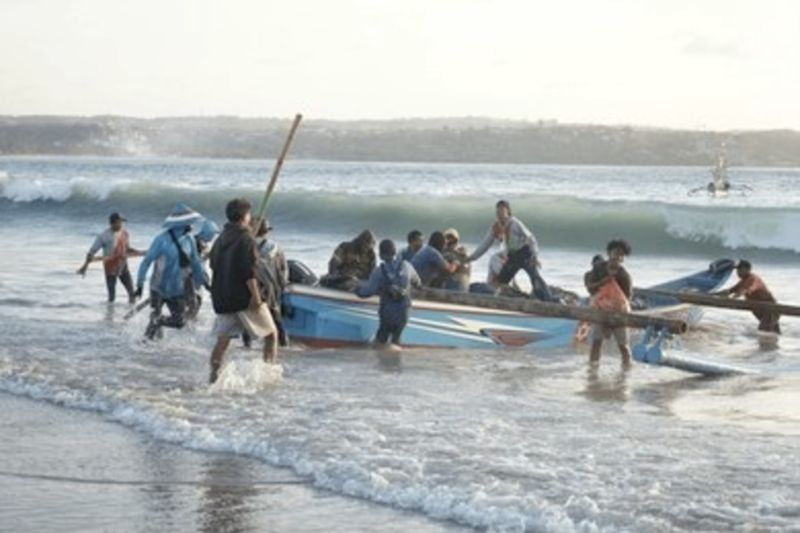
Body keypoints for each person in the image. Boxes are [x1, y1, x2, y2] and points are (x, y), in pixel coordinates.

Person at [208, 198, 278, 384]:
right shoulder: (246, 238)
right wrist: (255, 297)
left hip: (223, 297)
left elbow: (213, 264)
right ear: (244, 216)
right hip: (243, 298)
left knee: (223, 341)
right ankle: (269, 375)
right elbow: (249, 272)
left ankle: (213, 377)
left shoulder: (221, 238)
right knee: (271, 335)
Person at [135, 204, 206, 340]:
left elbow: (196, 262)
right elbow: (146, 262)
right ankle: (144, 347)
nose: (192, 225)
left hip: (177, 289)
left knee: (180, 321)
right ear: (181, 224)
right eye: (190, 222)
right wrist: (139, 284)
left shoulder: (189, 239)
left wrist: (201, 282)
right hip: (158, 288)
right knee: (154, 319)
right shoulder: (161, 240)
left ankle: (158, 322)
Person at [466, 200, 555, 301]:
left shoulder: (515, 223)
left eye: (502, 211)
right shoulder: (496, 227)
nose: (499, 214)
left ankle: (548, 300)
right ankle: (505, 298)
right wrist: (472, 257)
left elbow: (531, 239)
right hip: (512, 256)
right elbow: (485, 245)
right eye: (497, 211)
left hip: (525, 254)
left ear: (508, 212)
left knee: (535, 278)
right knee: (502, 279)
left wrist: (535, 256)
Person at [356, 239, 422, 346]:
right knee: (396, 339)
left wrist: (356, 289)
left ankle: (383, 358)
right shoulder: (407, 266)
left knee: (380, 342)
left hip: (388, 313)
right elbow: (418, 283)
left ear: (381, 255)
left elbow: (368, 292)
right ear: (395, 252)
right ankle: (395, 358)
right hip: (404, 312)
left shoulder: (379, 271)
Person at [584, 240, 633, 367]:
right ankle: (593, 371)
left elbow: (627, 297)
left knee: (623, 346)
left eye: (621, 255)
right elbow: (590, 287)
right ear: (609, 253)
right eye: (616, 253)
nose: (618, 257)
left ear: (623, 259)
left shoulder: (624, 275)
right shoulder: (599, 268)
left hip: (618, 313)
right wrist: (605, 281)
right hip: (600, 311)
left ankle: (626, 371)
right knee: (596, 342)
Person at [77, 212, 144, 303]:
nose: (121, 224)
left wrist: (140, 252)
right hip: (110, 269)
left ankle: (130, 313)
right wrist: (85, 266)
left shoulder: (125, 233)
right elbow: (91, 252)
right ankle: (109, 315)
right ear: (112, 223)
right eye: (118, 222)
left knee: (131, 293)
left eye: (121, 222)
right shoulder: (104, 236)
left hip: (123, 267)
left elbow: (127, 249)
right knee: (112, 297)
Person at [254, 218, 290, 347]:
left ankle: (247, 347)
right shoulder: (275, 247)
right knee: (276, 320)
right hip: (270, 289)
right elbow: (284, 270)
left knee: (248, 322)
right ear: (267, 232)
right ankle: (283, 346)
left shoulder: (246, 245)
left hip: (251, 287)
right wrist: (282, 286)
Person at [720, 260, 780, 334]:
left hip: (770, 310)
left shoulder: (753, 279)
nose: (737, 272)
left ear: (747, 269)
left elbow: (748, 290)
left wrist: (734, 297)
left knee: (763, 333)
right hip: (763, 311)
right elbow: (729, 291)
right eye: (737, 269)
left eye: (740, 269)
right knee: (774, 333)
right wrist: (711, 295)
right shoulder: (743, 281)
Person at [185, 218, 220, 320]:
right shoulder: (196, 243)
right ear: (206, 233)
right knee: (194, 304)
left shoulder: (202, 243)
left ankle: (188, 324)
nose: (213, 236)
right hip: (190, 278)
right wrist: (207, 284)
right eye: (212, 234)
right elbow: (196, 264)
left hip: (195, 278)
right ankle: (185, 324)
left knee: (195, 303)